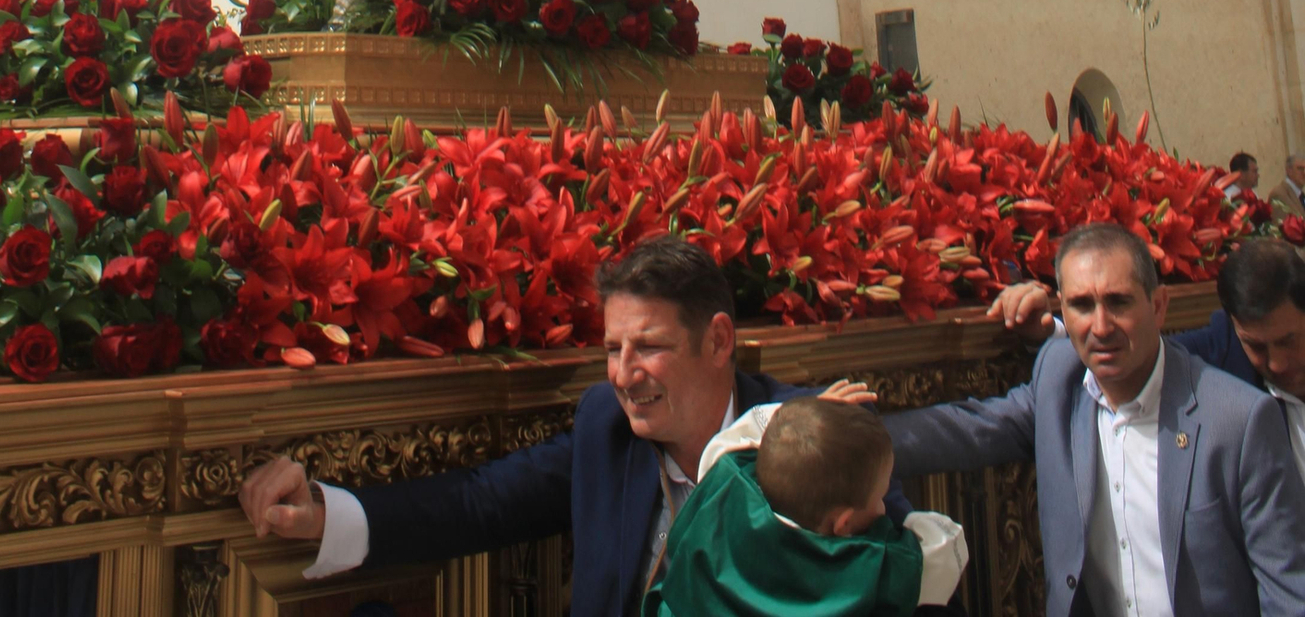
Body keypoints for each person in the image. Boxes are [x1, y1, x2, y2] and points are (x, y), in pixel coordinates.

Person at [237, 236, 909, 617]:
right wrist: (324, 514)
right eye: (612, 350)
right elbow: (483, 501)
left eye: (648, 347)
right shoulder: (606, 427)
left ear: (719, 340)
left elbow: (911, 590)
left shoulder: (816, 440)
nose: (623, 374)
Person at [879, 222, 1305, 617]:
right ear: (1063, 313)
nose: (1101, 325)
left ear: (1159, 305)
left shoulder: (1239, 420)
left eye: (1118, 302)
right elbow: (966, 429)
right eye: (1082, 305)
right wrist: (847, 440)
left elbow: (1290, 597)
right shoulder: (1060, 380)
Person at [644, 393, 967, 617]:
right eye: (880, 497)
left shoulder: (723, 483)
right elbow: (946, 544)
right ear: (843, 524)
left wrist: (814, 419)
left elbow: (746, 430)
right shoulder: (872, 569)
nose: (884, 508)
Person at [1273, 157, 1305, 224]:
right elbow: (1281, 226)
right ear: (1289, 171)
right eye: (1300, 168)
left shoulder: (1301, 195)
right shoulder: (1279, 194)